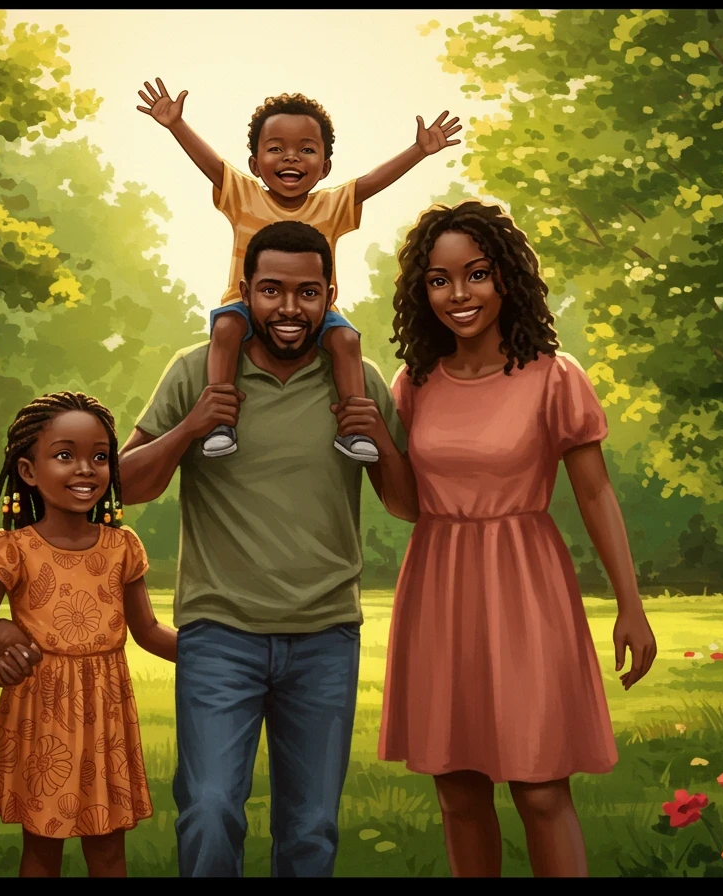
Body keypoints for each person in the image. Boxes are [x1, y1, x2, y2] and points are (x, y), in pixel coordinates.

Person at [118, 220, 414, 877]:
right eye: (272, 290)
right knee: (210, 808)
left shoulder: (357, 376)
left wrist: (381, 437)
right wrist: (193, 425)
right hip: (220, 631)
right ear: (245, 291)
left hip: (325, 633)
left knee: (310, 828)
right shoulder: (196, 369)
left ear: (330, 294)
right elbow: (125, 482)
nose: (288, 309)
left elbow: (408, 503)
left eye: (307, 293)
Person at [376, 200, 658, 877]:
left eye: (476, 274)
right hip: (438, 590)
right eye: (439, 280)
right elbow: (406, 506)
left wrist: (631, 604)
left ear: (507, 278)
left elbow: (595, 494)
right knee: (458, 788)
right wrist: (371, 443)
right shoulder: (413, 384)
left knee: (539, 786)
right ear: (423, 292)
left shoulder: (554, 376)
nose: (458, 295)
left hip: (527, 588)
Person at [136, 78, 459, 463]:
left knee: (347, 342)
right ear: (255, 165)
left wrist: (419, 151)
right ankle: (221, 422)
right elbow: (211, 165)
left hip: (314, 311)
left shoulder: (332, 205)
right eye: (276, 149)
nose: (291, 158)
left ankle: (354, 429)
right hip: (245, 306)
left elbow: (373, 182)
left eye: (305, 150)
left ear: (324, 167)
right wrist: (177, 126)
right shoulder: (243, 196)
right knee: (225, 328)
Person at [0, 392, 177, 878]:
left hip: (106, 709)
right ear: (28, 471)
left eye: (100, 456)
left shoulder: (123, 546)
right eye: (64, 455)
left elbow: (148, 631)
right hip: (42, 709)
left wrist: (213, 651)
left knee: (107, 847)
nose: (85, 469)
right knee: (42, 847)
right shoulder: (12, 549)